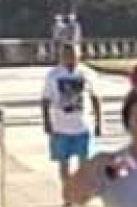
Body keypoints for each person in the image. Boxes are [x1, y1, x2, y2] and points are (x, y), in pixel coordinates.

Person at [42, 43, 103, 198]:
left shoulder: (86, 74)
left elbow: (96, 98)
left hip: (83, 126)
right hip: (61, 127)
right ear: (61, 56)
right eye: (66, 55)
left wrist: (99, 122)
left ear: (79, 55)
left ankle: (81, 192)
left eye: (73, 55)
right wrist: (47, 122)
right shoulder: (53, 75)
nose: (70, 59)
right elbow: (45, 100)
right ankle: (68, 192)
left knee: (84, 164)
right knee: (64, 163)